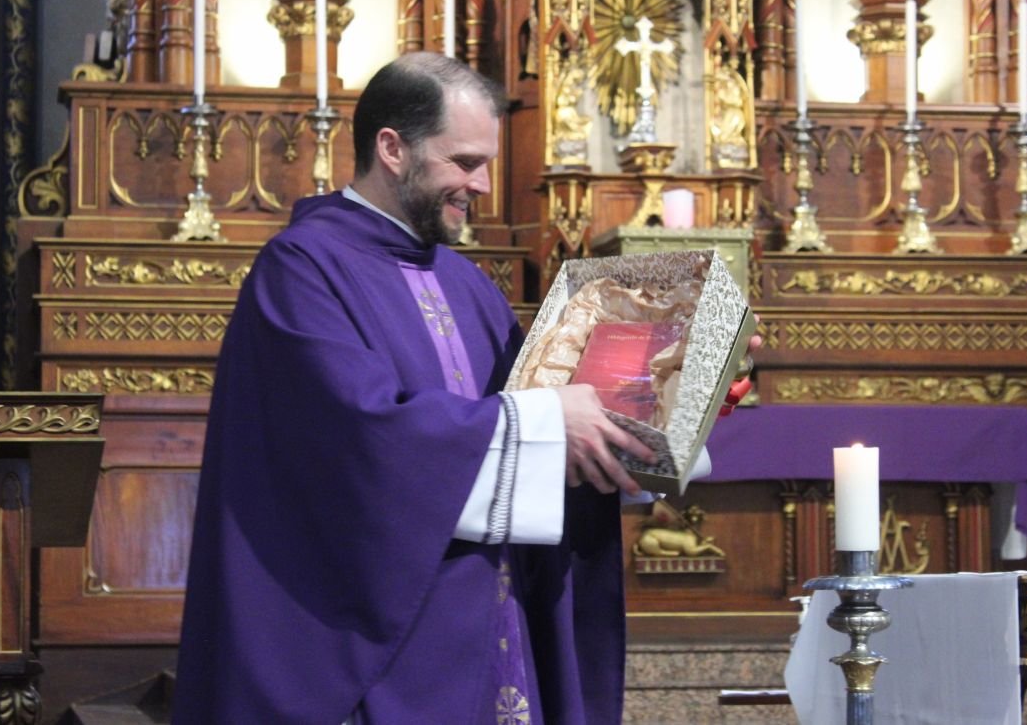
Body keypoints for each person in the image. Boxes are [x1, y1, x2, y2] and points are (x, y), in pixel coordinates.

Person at [173, 51, 756, 724]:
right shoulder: (302, 270)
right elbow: (359, 443)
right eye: (465, 162)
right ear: (392, 148)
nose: (481, 185)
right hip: (389, 653)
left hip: (493, 633)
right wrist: (542, 424)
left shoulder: (468, 285)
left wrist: (691, 387)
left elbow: (563, 432)